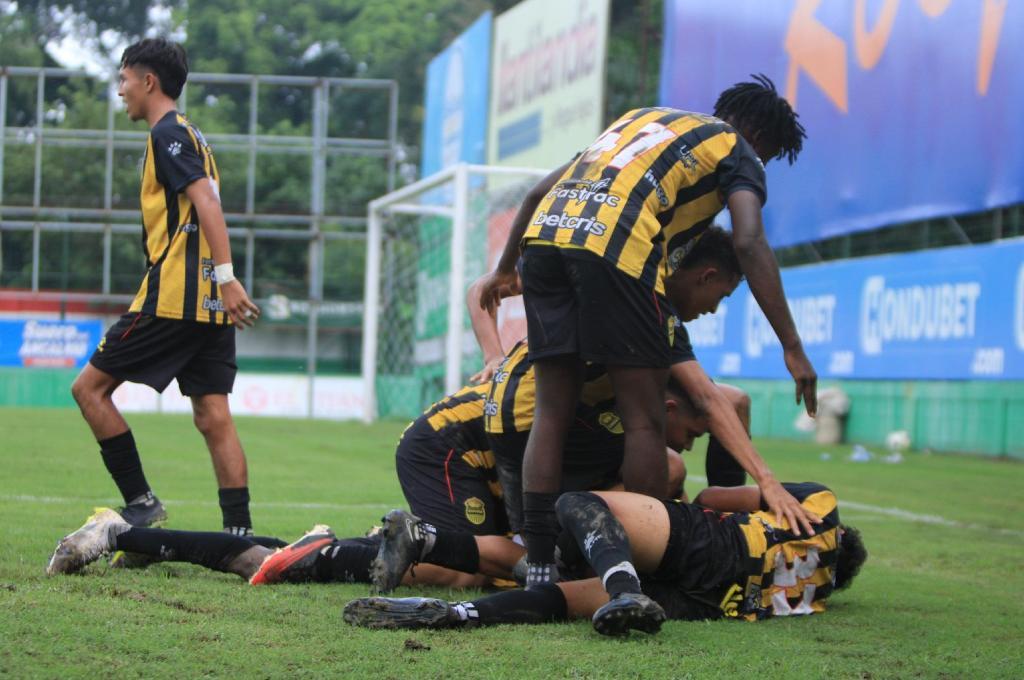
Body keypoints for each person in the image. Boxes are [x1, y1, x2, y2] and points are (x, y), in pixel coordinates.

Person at [475, 76, 819, 584]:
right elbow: (749, 241)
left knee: (553, 412)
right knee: (643, 421)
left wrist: (508, 268)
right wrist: (792, 346)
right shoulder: (738, 149)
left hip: (544, 241)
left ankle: (541, 562)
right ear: (760, 139)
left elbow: (535, 193)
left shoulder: (640, 121)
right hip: (619, 249)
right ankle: (643, 560)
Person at [68, 38, 261, 534]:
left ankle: (141, 502)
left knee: (89, 389)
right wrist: (221, 286)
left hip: (175, 298)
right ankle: (237, 535)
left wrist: (227, 277)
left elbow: (207, 204)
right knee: (213, 415)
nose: (120, 91)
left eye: (124, 80)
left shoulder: (168, 135)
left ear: (148, 81)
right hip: (207, 307)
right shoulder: (192, 135)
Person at [344, 482, 867, 636]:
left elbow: (712, 499)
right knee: (563, 600)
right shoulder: (815, 596)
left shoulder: (822, 507)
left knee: (576, 503)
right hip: (711, 602)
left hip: (712, 542)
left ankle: (623, 587)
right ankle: (459, 614)